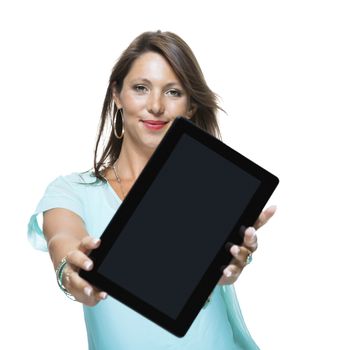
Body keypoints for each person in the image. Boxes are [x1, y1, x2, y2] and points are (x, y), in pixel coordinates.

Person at [27, 30, 277, 349]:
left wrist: (231, 265)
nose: (156, 106)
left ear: (189, 106)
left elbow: (226, 272)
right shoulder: (72, 191)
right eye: (141, 88)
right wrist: (70, 271)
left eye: (173, 92)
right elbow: (63, 240)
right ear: (117, 94)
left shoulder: (210, 193)